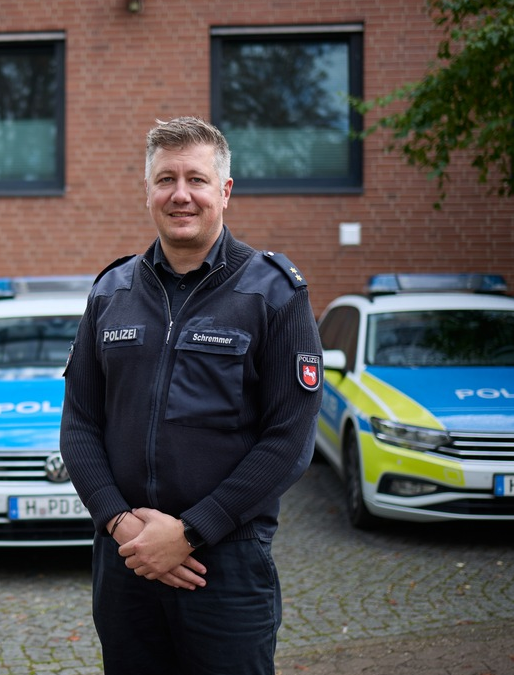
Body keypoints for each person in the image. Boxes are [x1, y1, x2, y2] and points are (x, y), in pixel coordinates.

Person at [59, 116, 323, 675]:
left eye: (197, 179)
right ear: (148, 191)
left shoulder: (273, 294)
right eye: (166, 179)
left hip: (224, 564)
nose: (181, 194)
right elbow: (80, 423)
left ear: (224, 191)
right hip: (126, 560)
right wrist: (120, 522)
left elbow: (289, 441)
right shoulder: (111, 292)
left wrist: (190, 532)